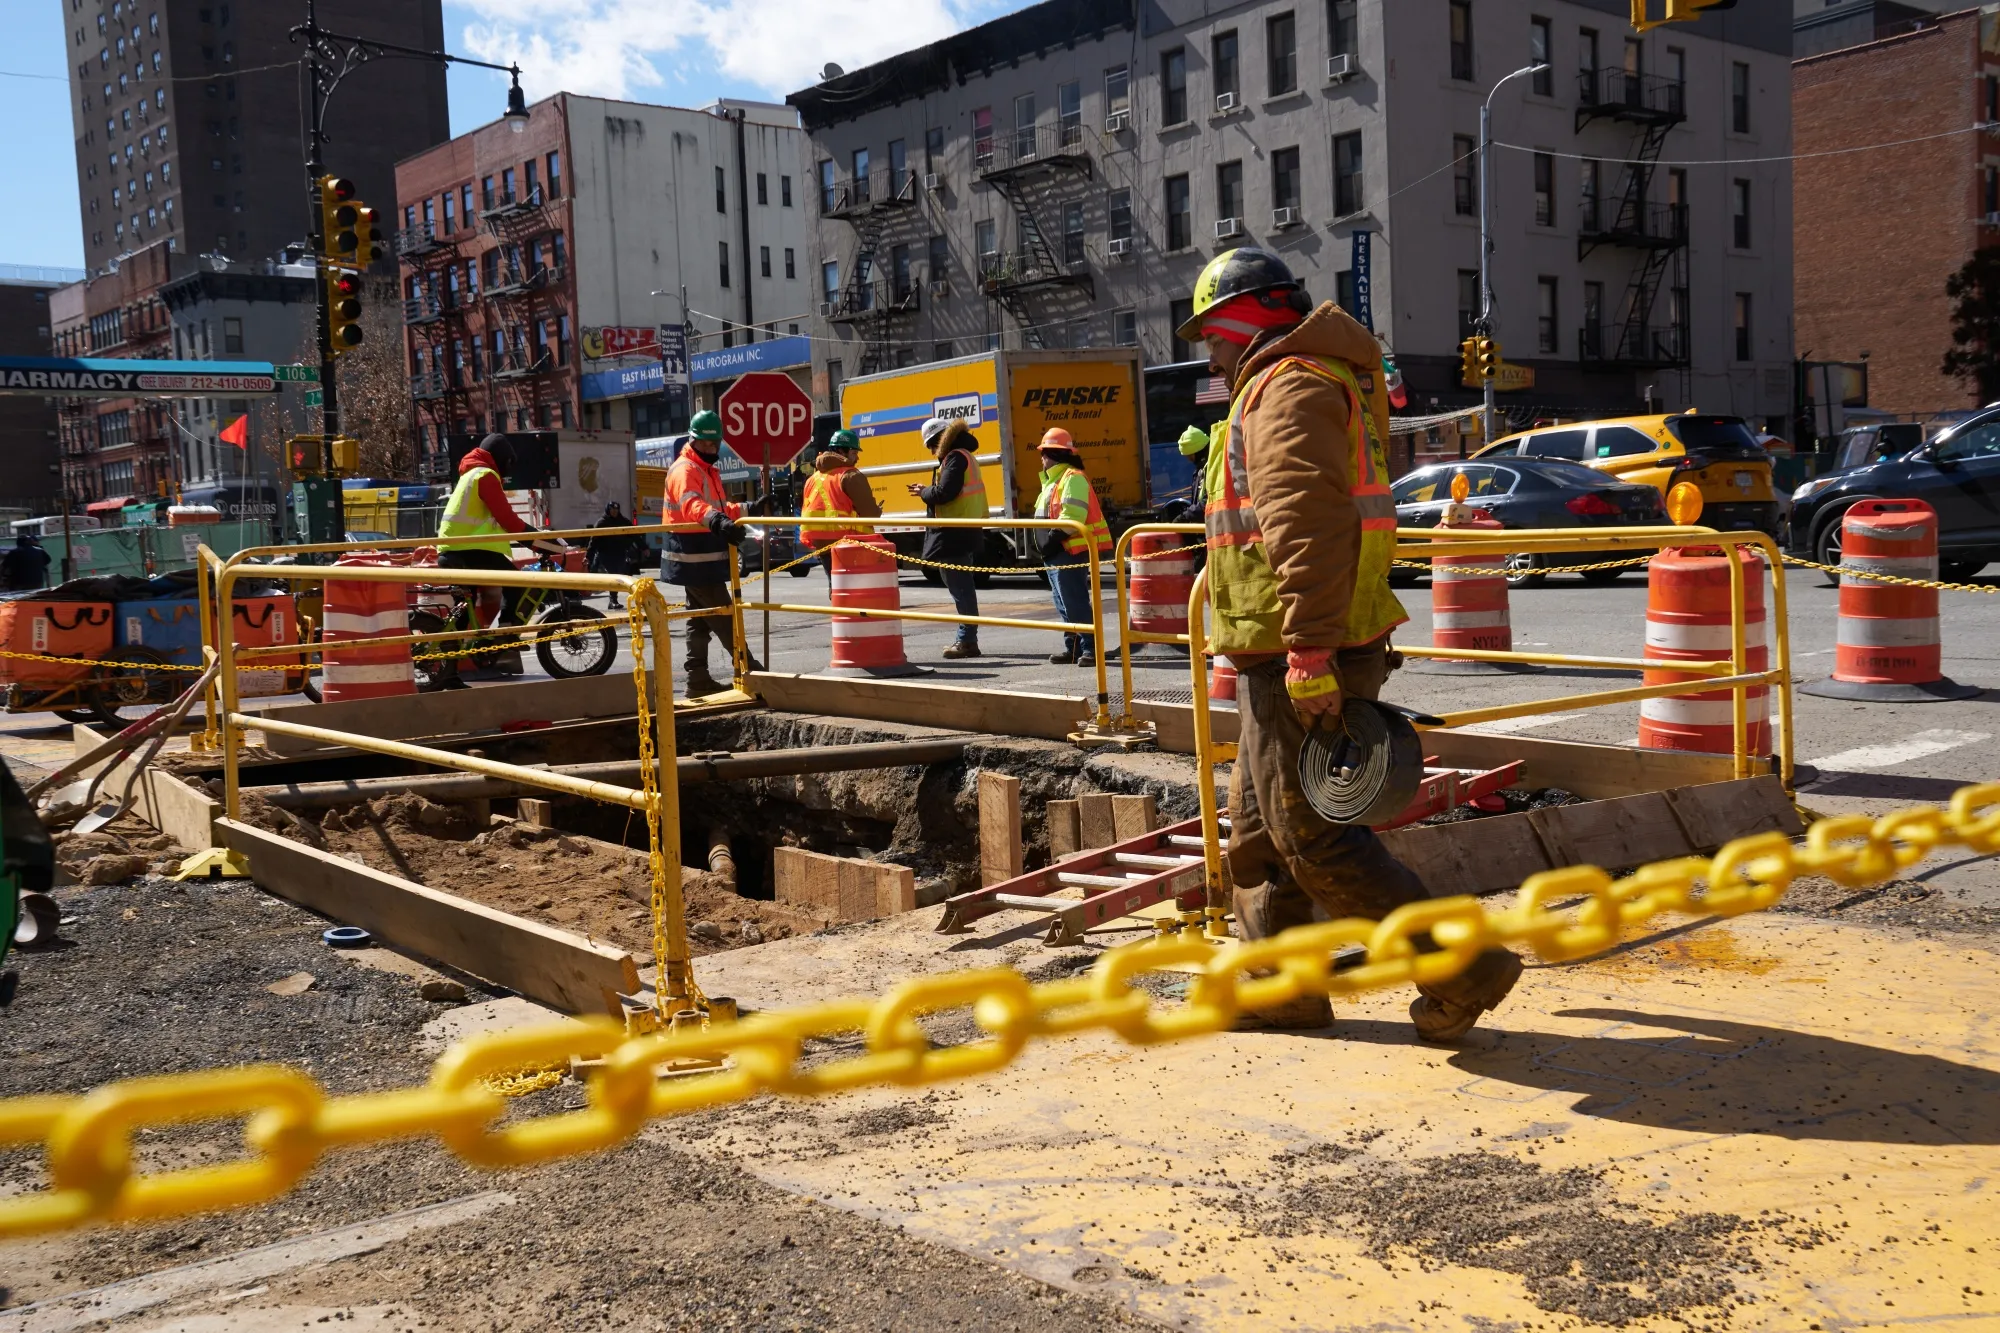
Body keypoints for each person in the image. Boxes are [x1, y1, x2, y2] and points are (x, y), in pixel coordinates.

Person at [1183, 245, 1523, 1039]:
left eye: (1212, 335)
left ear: (1243, 322)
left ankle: (1467, 968)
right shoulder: (1310, 380)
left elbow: (1304, 523)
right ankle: (1280, 988)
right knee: (1259, 837)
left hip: (1304, 647)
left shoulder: (1286, 386)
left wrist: (1307, 651)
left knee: (1315, 841)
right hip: (1291, 644)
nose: (1210, 352)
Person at [665, 409, 761, 696]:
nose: (710, 449)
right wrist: (718, 521)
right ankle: (753, 672)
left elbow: (718, 508)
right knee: (724, 616)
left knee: (700, 619)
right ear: (692, 441)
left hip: (697, 557)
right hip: (694, 558)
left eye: (714, 444)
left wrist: (749, 509)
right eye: (705, 444)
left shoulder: (705, 470)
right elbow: (692, 505)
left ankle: (697, 679)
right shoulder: (685, 470)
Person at [908, 416, 988, 660]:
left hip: (955, 533)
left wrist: (924, 492)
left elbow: (945, 493)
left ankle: (967, 640)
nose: (933, 452)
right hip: (963, 530)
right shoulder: (963, 455)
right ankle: (966, 638)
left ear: (939, 440)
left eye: (932, 446)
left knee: (961, 589)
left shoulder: (954, 458)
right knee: (961, 587)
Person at [437, 433, 535, 631]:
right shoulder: (486, 475)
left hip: (450, 550)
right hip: (470, 550)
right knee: (517, 582)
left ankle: (452, 651)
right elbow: (508, 520)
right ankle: (505, 632)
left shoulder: (468, 475)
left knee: (465, 608)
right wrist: (539, 541)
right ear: (501, 458)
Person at [1033, 429, 1111, 667]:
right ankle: (1074, 648)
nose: (1041, 459)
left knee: (1074, 601)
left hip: (1068, 550)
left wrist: (1052, 539)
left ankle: (1090, 649)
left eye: (1043, 454)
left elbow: (1073, 515)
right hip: (1056, 551)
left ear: (1052, 455)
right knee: (1063, 602)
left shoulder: (1072, 477)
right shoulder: (1054, 480)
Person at [801, 429, 882, 576]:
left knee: (837, 589)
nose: (857, 458)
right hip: (848, 542)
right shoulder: (851, 475)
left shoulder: (811, 479)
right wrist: (877, 511)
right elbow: (870, 514)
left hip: (821, 544)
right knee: (852, 590)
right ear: (840, 451)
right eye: (854, 453)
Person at [586, 502, 640, 609]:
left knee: (620, 575)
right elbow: (593, 541)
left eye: (616, 510)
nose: (615, 512)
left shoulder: (623, 521)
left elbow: (635, 534)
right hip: (605, 554)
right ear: (608, 510)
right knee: (613, 575)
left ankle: (615, 599)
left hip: (620, 553)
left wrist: (644, 547)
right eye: (612, 510)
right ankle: (613, 600)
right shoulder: (602, 522)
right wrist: (588, 557)